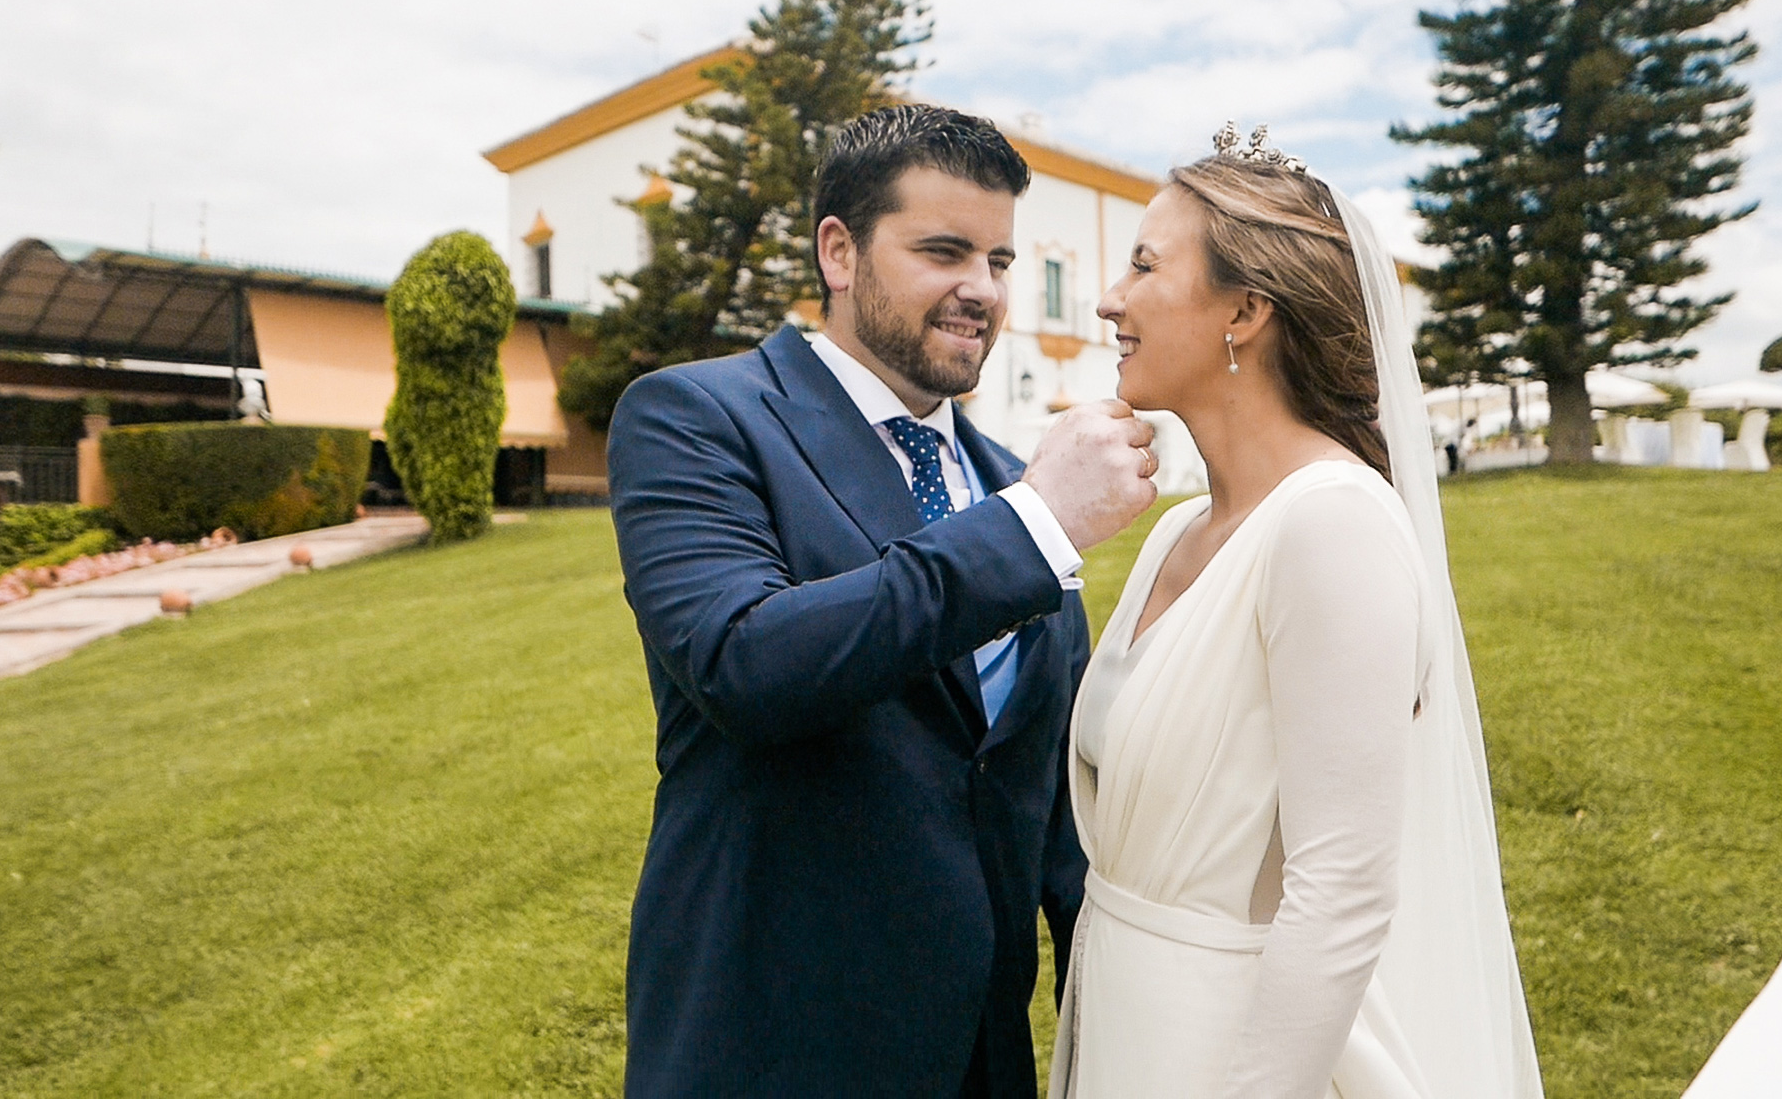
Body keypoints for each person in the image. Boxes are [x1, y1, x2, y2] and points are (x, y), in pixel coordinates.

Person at [607, 104, 1159, 1097]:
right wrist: (1034, 524)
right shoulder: (695, 417)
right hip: (771, 1046)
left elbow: (1049, 816)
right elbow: (746, 662)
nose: (981, 291)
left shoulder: (1007, 482)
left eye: (998, 260)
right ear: (839, 250)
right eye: (944, 251)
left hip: (983, 1060)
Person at [1049, 126, 1543, 1098]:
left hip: (1233, 1056)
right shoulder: (1176, 532)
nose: (1110, 300)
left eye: (1146, 266)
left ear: (1244, 310)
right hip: (1120, 1018)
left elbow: (1343, 893)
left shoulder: (1332, 528)